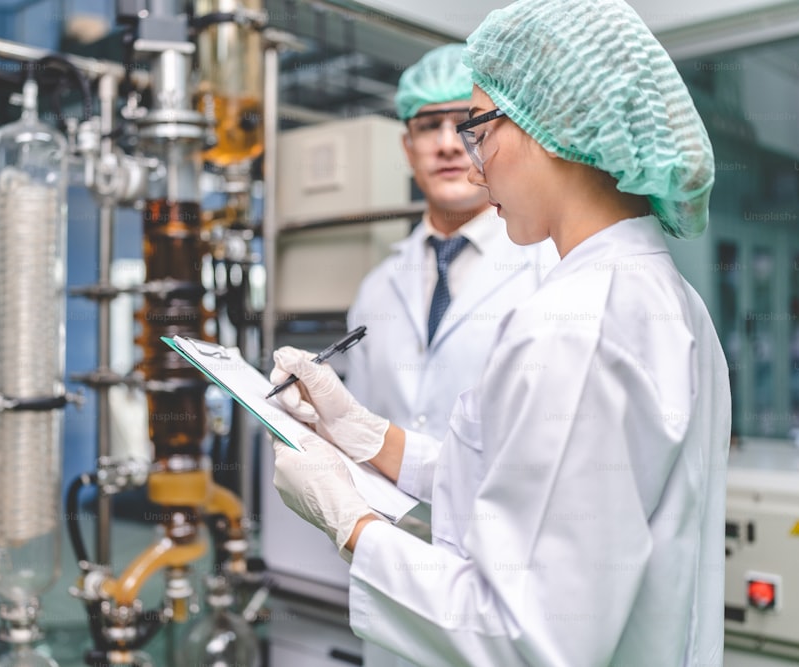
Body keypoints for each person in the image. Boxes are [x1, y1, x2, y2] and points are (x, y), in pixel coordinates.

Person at [268, 0, 732, 665]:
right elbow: (510, 478)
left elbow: (526, 634)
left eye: (479, 127)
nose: (474, 165)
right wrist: (364, 432)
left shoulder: (580, 322)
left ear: (555, 123)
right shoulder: (654, 294)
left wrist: (351, 521)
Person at [345, 43, 556, 442]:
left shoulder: (552, 265)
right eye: (427, 126)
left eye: (464, 121)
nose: (446, 143)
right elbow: (361, 431)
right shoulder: (376, 289)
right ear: (407, 148)